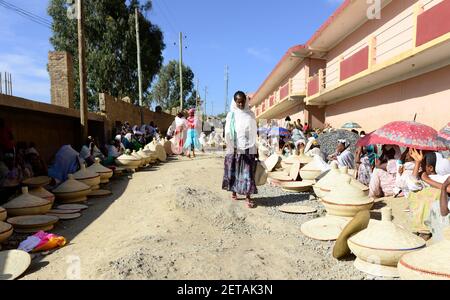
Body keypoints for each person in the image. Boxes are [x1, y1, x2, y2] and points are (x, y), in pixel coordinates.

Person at [223, 91, 258, 209]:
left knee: (248, 172)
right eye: (239, 102)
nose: (241, 104)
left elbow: (253, 131)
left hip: (248, 147)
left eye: (243, 101)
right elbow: (227, 131)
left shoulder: (250, 114)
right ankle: (234, 192)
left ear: (246, 101)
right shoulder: (231, 115)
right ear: (235, 102)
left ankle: (248, 197)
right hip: (234, 147)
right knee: (234, 170)